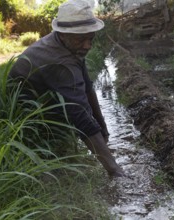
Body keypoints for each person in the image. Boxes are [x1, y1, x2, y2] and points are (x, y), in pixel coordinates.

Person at [8, 0, 125, 177]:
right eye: (81, 40)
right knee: (77, 117)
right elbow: (79, 114)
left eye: (90, 39)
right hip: (24, 116)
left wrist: (103, 128)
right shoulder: (58, 62)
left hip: (44, 99)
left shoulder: (68, 46)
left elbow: (87, 87)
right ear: (63, 34)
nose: (87, 45)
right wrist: (115, 170)